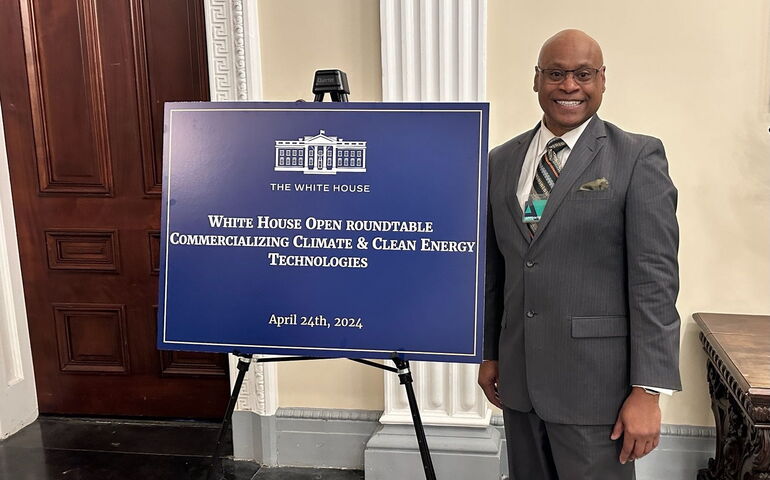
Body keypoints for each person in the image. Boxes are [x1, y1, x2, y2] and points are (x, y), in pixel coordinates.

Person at [478, 29, 681, 480]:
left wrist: (648, 391)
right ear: (536, 80)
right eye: (556, 74)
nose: (569, 86)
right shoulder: (499, 162)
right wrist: (491, 351)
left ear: (602, 80)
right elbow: (499, 268)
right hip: (519, 382)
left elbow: (655, 281)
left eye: (583, 74)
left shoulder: (637, 158)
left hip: (596, 391)